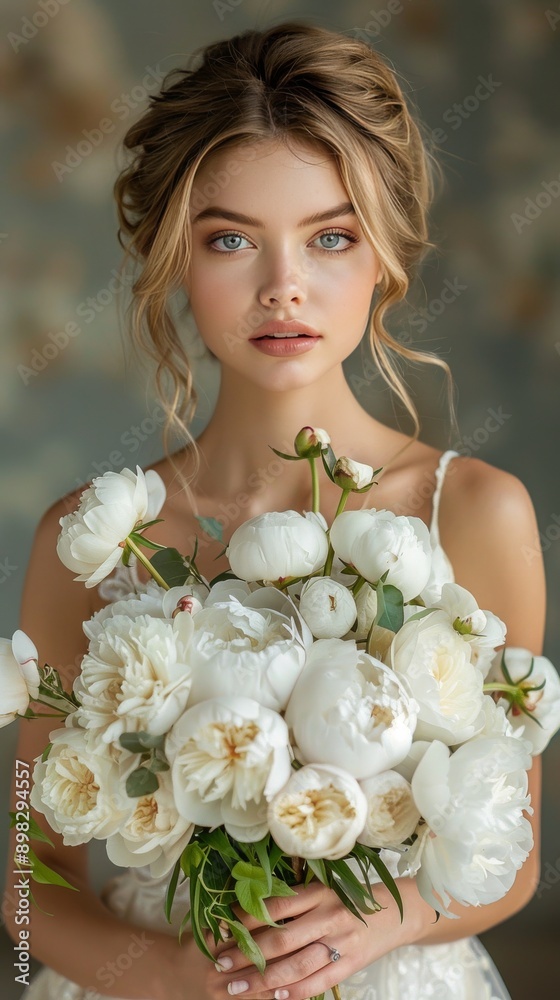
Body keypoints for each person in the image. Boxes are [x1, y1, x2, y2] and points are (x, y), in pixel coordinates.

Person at [5, 20, 546, 1000]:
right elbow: (25, 869)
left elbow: (512, 853)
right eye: (230, 240)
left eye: (328, 237)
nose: (282, 287)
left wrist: (394, 914)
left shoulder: (470, 511)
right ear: (175, 257)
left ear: (381, 256)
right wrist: (166, 974)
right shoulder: (83, 539)